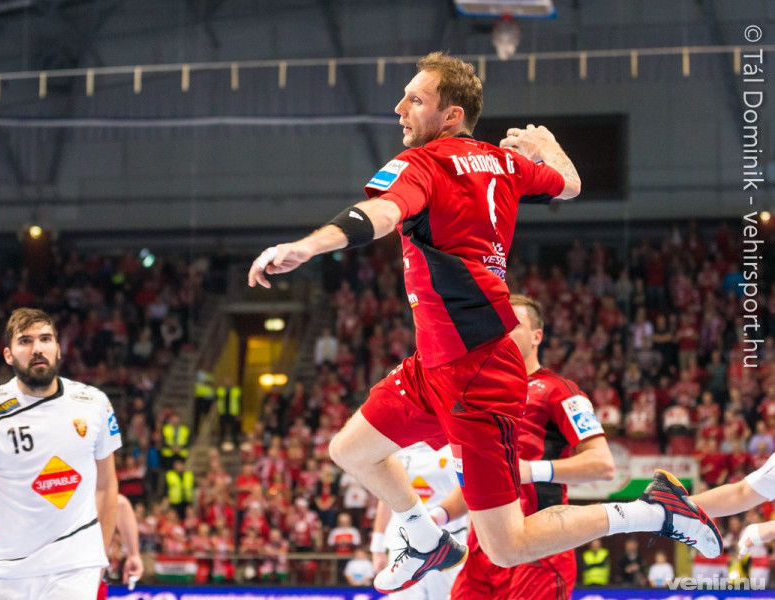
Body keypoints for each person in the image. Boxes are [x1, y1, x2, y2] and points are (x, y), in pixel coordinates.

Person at [247, 51, 721, 593]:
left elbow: (379, 214)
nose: (400, 107)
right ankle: (422, 537)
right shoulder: (503, 163)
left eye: (415, 99)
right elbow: (569, 185)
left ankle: (652, 511)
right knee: (350, 450)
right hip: (436, 362)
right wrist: (549, 147)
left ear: (451, 115)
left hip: (476, 372)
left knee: (506, 544)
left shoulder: (426, 163)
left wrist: (307, 247)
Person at [0, 308, 121, 600]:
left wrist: (99, 556)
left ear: (58, 349)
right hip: (6, 570)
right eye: (25, 341)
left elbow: (106, 484)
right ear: (8, 355)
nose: (37, 348)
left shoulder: (94, 403)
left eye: (45, 339)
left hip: (75, 566)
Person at [447, 294, 615, 599]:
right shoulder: (479, 397)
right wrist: (435, 518)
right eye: (496, 326)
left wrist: (529, 471)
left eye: (512, 325)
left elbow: (602, 464)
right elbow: (476, 481)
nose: (501, 333)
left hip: (539, 547)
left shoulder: (559, 391)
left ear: (537, 336)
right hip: (482, 551)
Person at [370, 443, 468, 600]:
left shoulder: (456, 445)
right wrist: (377, 548)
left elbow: (469, 493)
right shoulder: (397, 448)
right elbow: (386, 499)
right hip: (404, 542)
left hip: (449, 541)